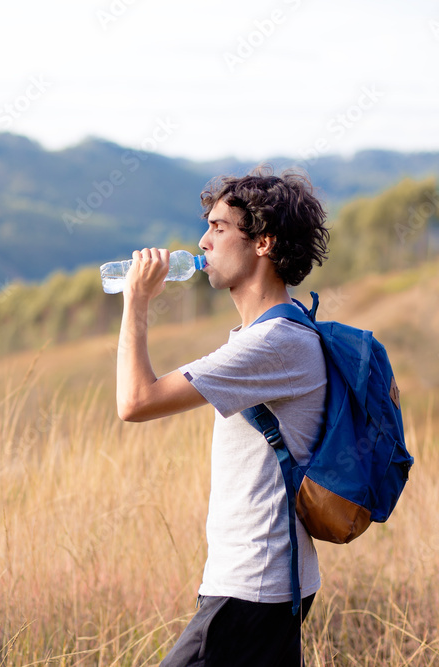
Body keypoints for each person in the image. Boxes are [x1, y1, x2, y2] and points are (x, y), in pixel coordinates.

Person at [115, 166, 330, 666]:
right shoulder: (281, 332)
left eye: (219, 227)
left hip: (253, 585)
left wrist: (136, 302)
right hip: (268, 580)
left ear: (263, 243)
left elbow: (135, 401)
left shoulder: (273, 343)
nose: (202, 241)